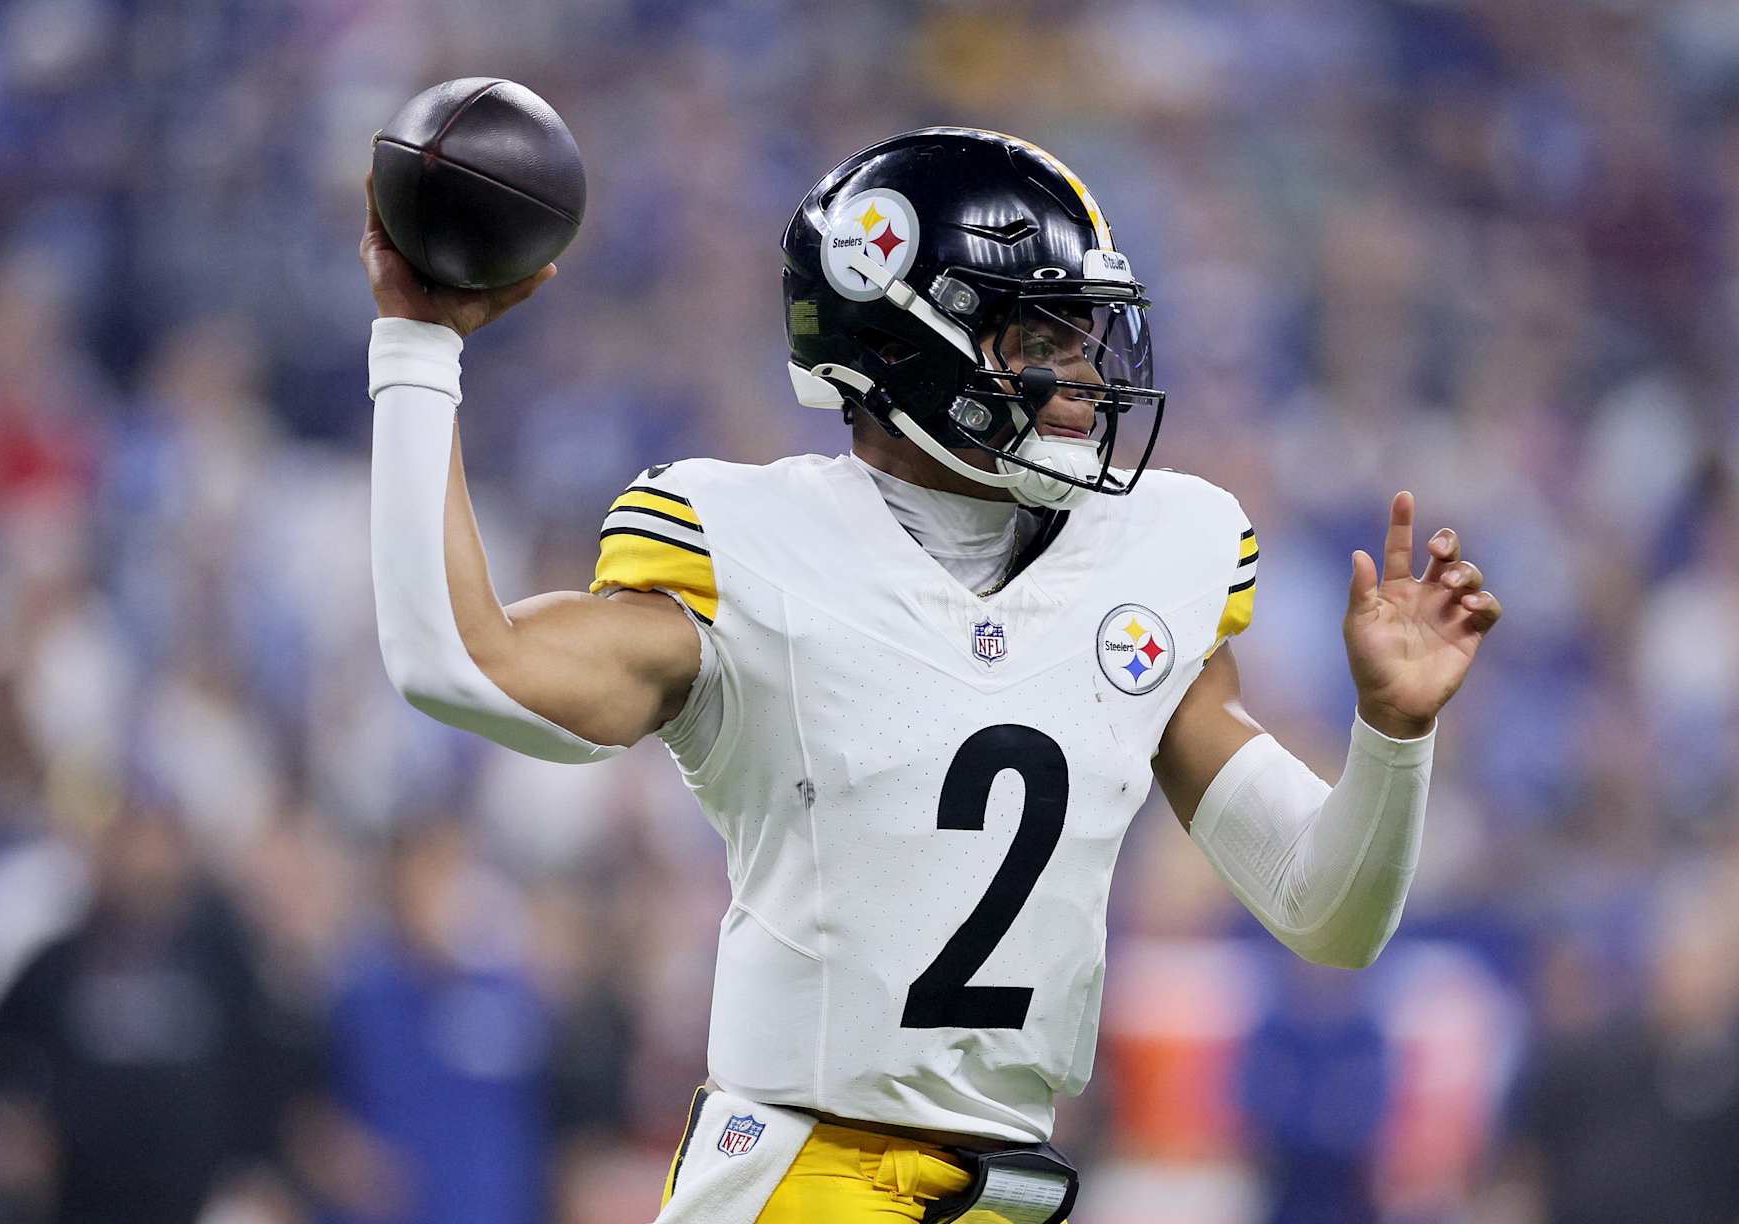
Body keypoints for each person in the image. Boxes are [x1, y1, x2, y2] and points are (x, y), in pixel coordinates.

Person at [360, 128, 1501, 1224]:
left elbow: (1328, 913)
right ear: (905, 339)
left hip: (1007, 1191)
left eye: (1085, 338)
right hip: (799, 1181)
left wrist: (1393, 737)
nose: (1083, 378)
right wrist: (419, 344)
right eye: (1040, 341)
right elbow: (460, 662)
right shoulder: (752, 545)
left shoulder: (1156, 554)